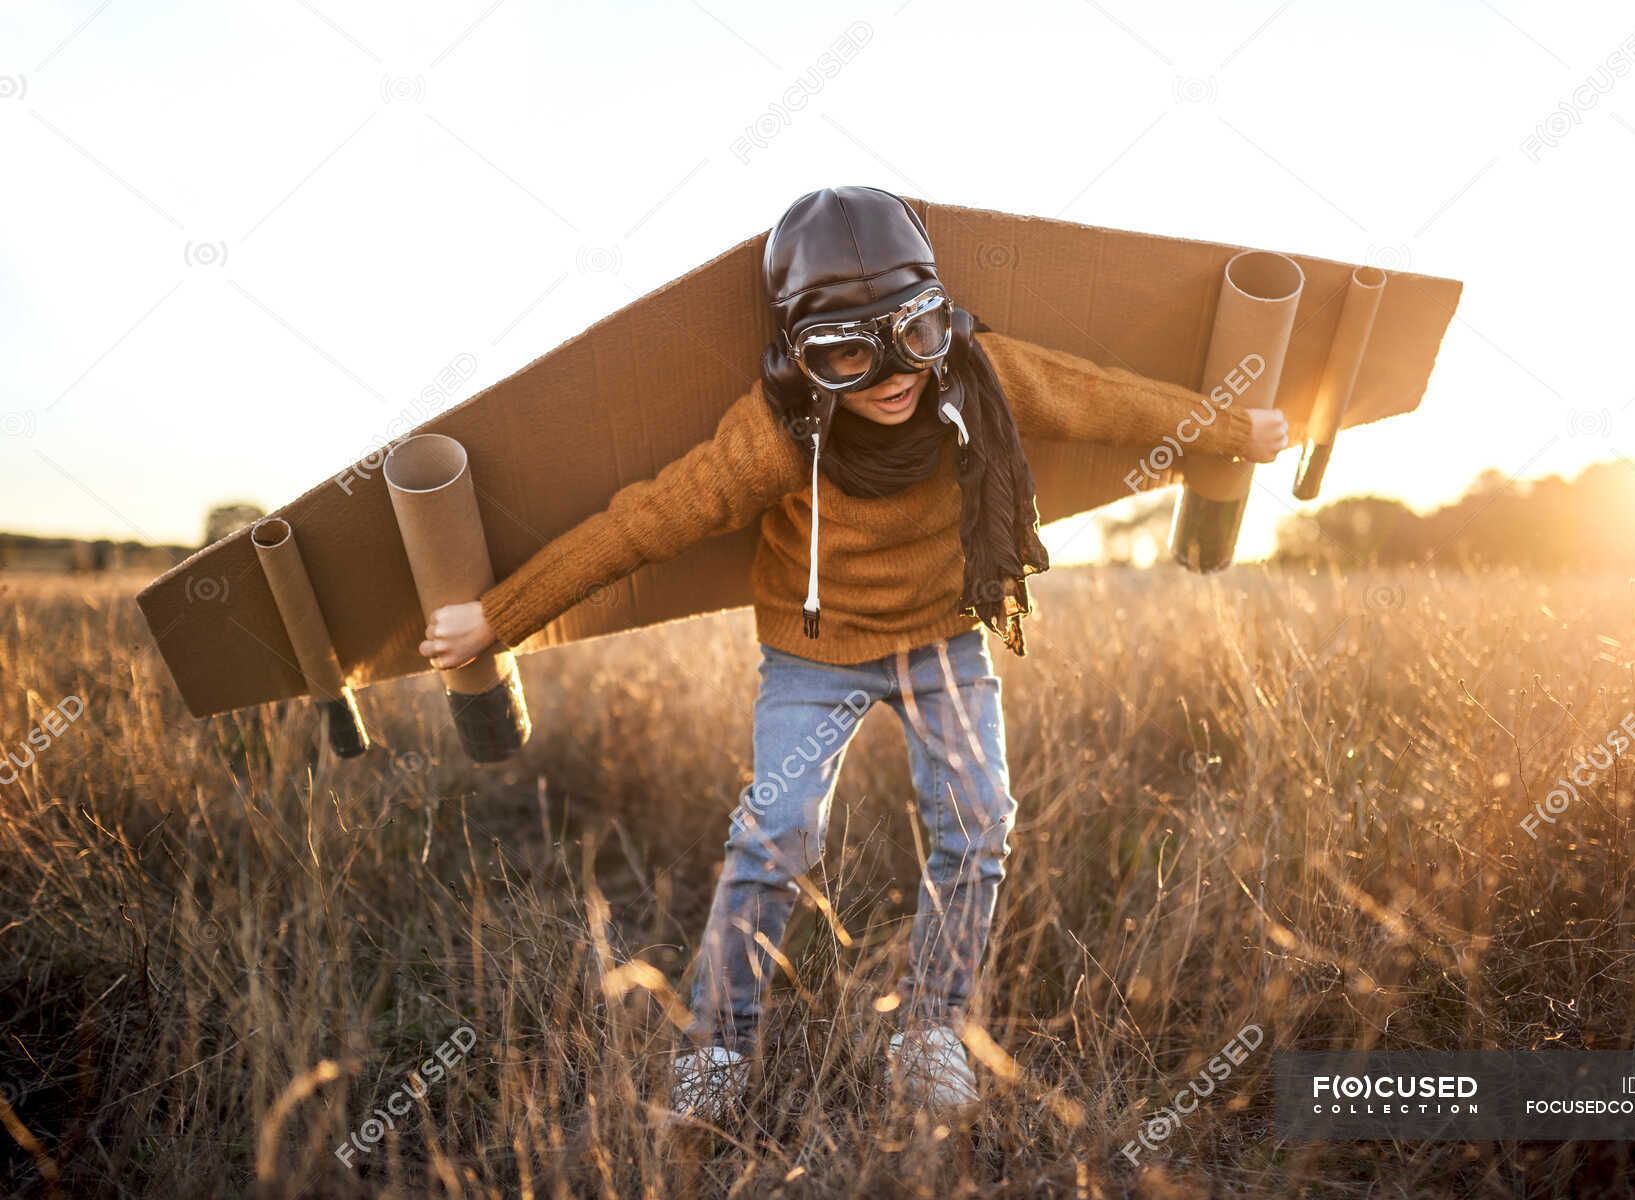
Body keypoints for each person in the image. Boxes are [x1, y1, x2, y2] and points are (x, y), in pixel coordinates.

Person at [418, 186, 1287, 1122]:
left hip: (944, 635)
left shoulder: (977, 375)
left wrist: (1237, 427)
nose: (890, 374)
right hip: (816, 647)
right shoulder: (779, 432)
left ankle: (930, 1031)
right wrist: (497, 618)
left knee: (980, 821)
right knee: (777, 832)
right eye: (846, 351)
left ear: (939, 320)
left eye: (912, 336)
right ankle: (718, 1046)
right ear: (801, 351)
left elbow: (1103, 399)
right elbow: (642, 525)